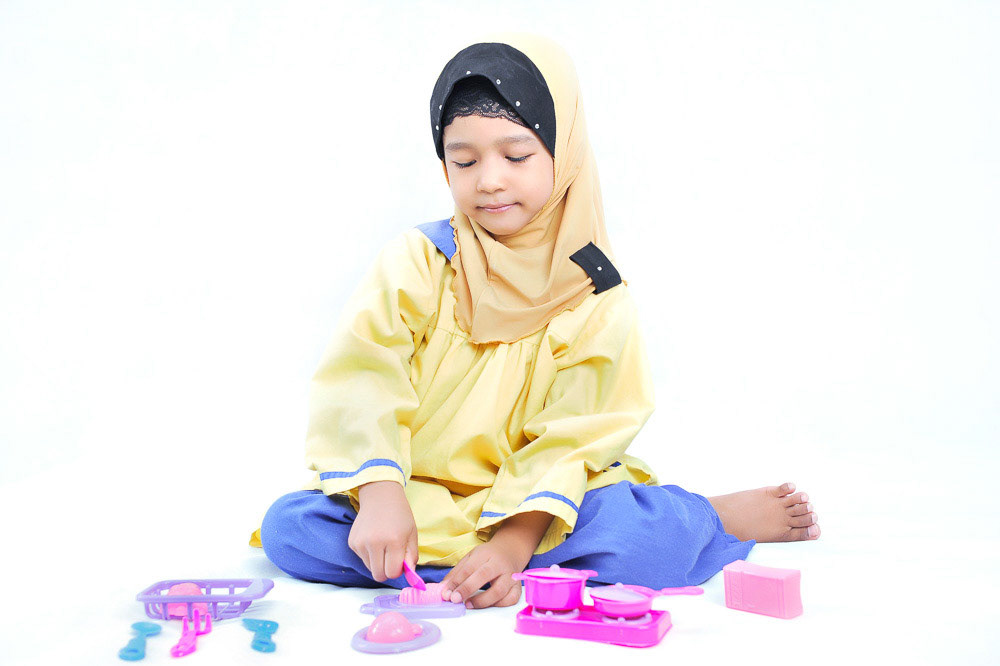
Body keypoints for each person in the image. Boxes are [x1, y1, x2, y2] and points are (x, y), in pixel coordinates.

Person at [252, 33, 820, 610]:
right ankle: (518, 573)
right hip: (419, 492)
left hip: (546, 501)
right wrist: (378, 495)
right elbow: (363, 376)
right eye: (464, 160)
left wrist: (515, 542)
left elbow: (577, 436)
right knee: (290, 529)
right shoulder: (419, 261)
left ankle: (703, 514)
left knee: (649, 544)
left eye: (516, 155)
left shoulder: (596, 295)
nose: (489, 180)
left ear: (562, 149)